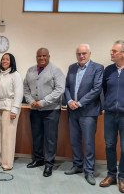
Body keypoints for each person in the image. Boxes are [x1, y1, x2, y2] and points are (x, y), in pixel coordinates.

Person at [64, 44, 103, 185]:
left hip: (88, 112)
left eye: (84, 53)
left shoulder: (98, 68)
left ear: (89, 54)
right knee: (74, 140)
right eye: (79, 53)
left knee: (88, 142)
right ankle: (77, 165)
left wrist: (79, 103)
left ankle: (89, 171)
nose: (81, 56)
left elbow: (96, 89)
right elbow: (67, 86)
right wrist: (69, 100)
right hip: (72, 111)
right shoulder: (72, 68)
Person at [23, 48, 65, 177]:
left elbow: (59, 89)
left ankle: (48, 164)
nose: (41, 58)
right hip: (35, 110)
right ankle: (38, 159)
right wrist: (32, 102)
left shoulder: (56, 70)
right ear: (36, 57)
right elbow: (25, 88)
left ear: (49, 56)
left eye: (44, 55)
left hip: (51, 110)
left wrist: (43, 102)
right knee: (37, 136)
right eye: (39, 56)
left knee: (50, 139)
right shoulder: (30, 70)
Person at [100, 40, 124, 192]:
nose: (111, 53)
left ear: (122, 54)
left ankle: (122, 177)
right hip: (109, 114)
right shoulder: (108, 70)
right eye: (111, 50)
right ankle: (111, 175)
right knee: (109, 146)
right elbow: (102, 90)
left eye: (114, 51)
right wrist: (105, 106)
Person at [0, 53, 23, 171]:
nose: (4, 61)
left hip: (10, 107)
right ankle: (2, 158)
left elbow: (19, 93)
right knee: (0, 133)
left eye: (7, 59)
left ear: (11, 61)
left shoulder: (15, 75)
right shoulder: (0, 74)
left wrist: (15, 109)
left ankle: (8, 163)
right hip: (0, 106)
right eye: (3, 59)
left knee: (9, 136)